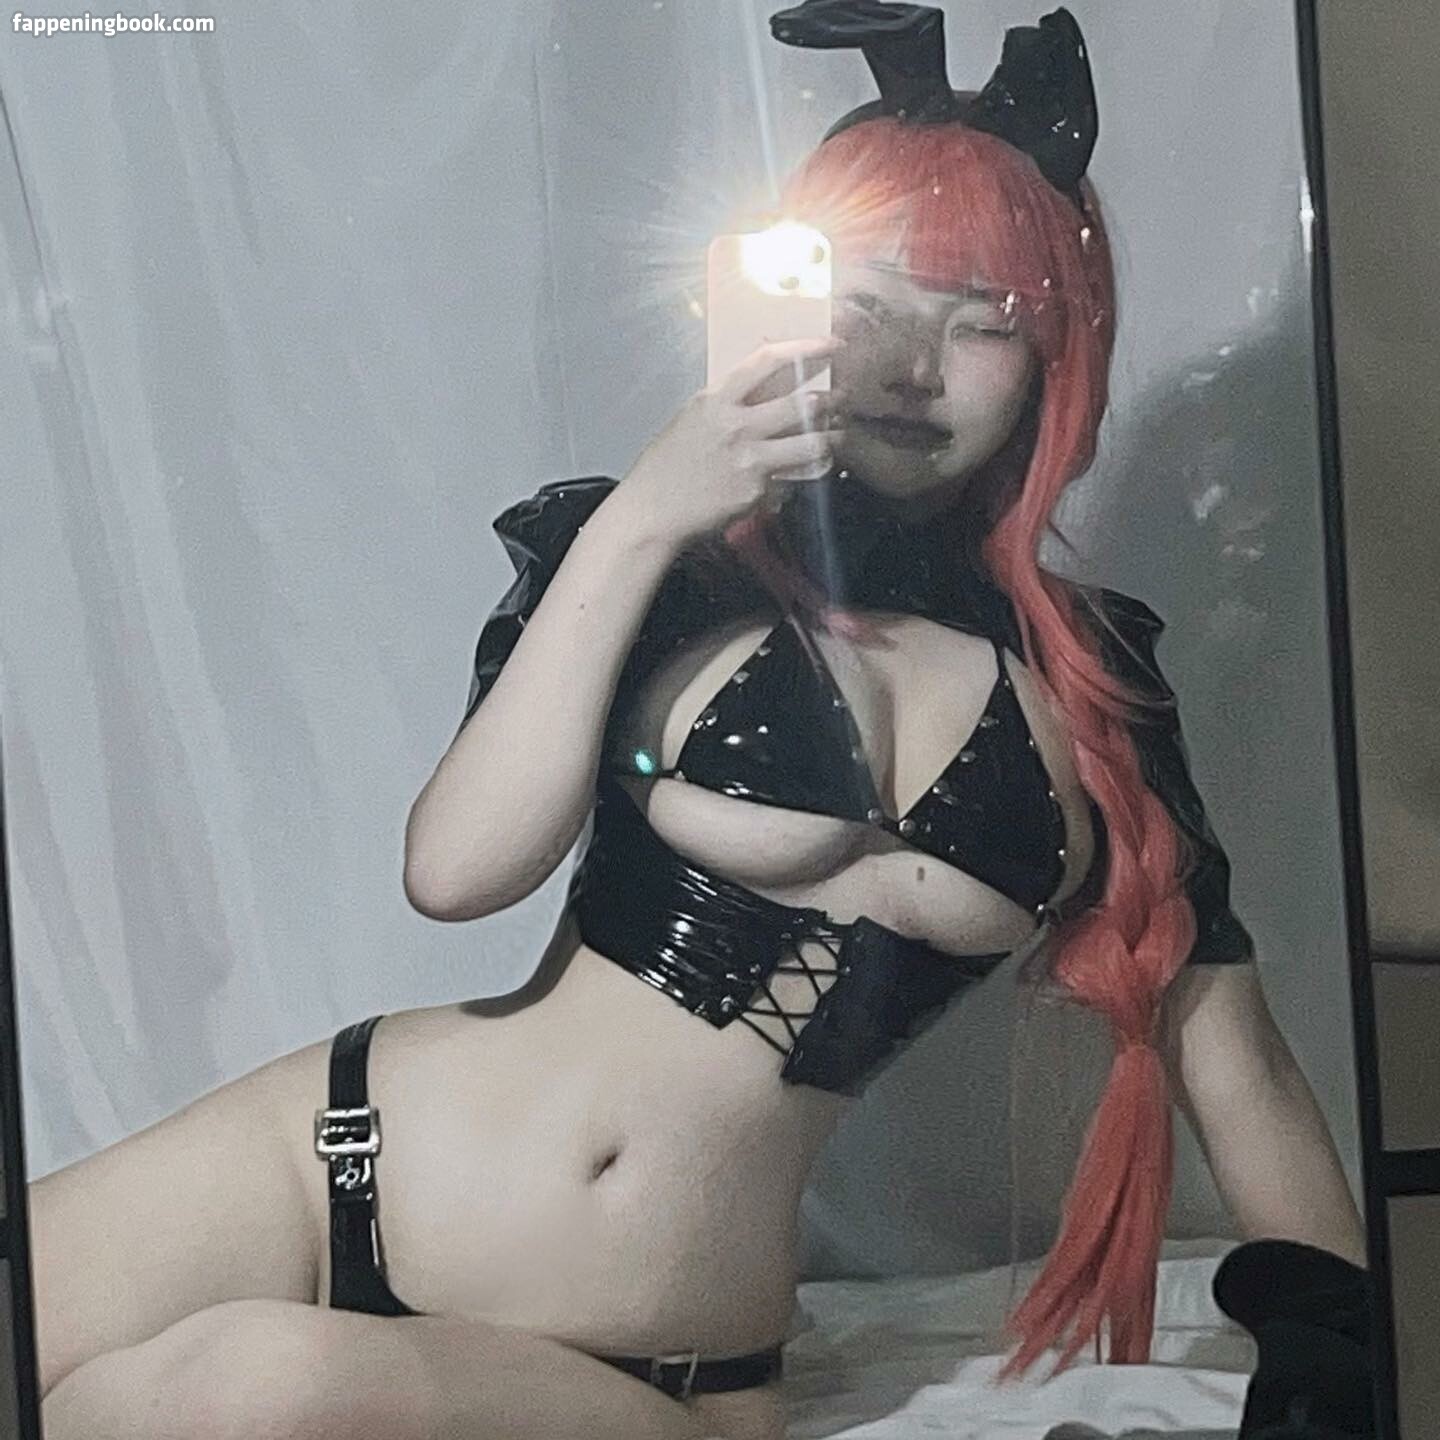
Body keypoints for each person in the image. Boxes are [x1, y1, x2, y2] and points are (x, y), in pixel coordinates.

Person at [31, 5, 1369, 1440]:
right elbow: (456, 871)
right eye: (868, 302)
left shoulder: (1094, 689)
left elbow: (1244, 1071)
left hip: (666, 1364)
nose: (912, 365)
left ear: (1056, 354)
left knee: (245, 1389)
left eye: (982, 320)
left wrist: (1348, 1352)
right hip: (338, 1156)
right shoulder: (661, 567)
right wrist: (646, 515)